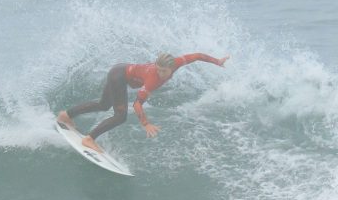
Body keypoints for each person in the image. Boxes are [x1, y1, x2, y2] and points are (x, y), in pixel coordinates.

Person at [57, 52, 230, 153]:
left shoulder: (177, 62)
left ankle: (66, 115)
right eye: (159, 69)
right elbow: (137, 104)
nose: (161, 73)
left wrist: (217, 61)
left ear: (172, 67)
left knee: (103, 105)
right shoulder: (152, 80)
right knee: (120, 116)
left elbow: (197, 56)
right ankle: (89, 139)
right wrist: (146, 123)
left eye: (164, 71)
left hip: (120, 70)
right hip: (119, 76)